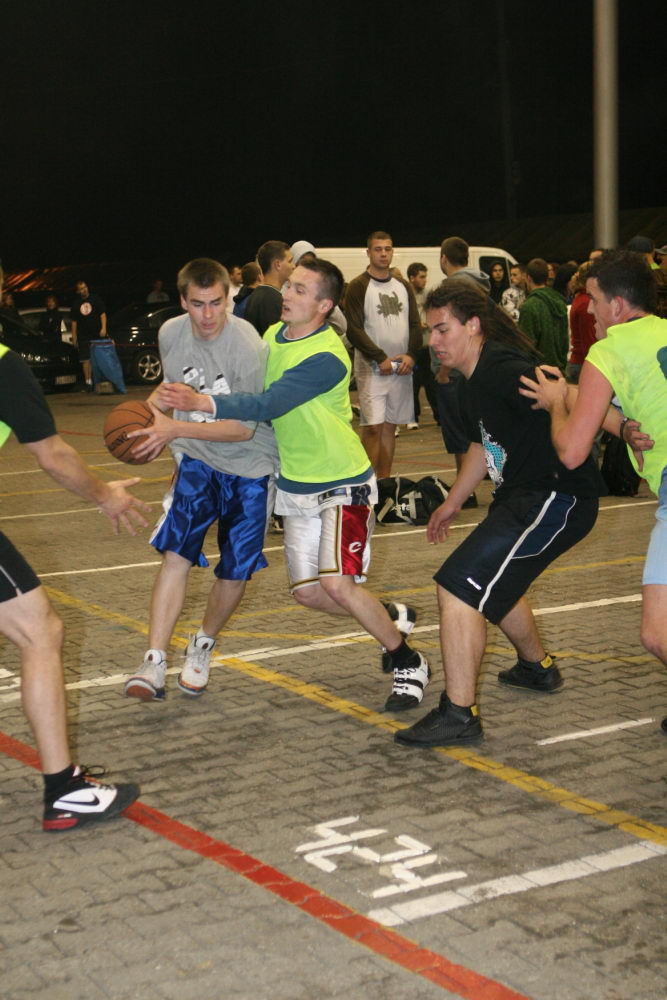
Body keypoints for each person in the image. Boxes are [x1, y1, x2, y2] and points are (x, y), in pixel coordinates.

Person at [138, 258, 430, 713]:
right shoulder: (274, 336)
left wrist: (201, 403)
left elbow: (268, 403)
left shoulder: (327, 356)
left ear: (324, 305)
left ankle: (408, 660)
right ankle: (391, 617)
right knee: (308, 593)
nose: (286, 294)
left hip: (342, 482)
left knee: (337, 584)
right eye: (288, 285)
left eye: (298, 290)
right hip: (296, 484)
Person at [394, 278, 620, 750]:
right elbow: (483, 445)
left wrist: (627, 427)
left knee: (459, 585)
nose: (434, 342)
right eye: (430, 332)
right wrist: (452, 502)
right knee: (491, 579)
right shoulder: (471, 382)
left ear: (473, 325)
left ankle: (459, 714)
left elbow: (570, 393)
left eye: (442, 330)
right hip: (522, 498)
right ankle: (536, 669)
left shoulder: (502, 367)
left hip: (556, 498)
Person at [0, 265, 149, 829]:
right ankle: (63, 789)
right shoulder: (2, 362)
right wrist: (106, 495)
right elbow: (54, 455)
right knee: (41, 632)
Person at [518, 249, 667, 737]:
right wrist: (619, 426)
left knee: (658, 633)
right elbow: (612, 402)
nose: (588, 313)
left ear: (618, 306)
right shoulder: (661, 333)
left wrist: (556, 404)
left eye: (594, 301)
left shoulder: (609, 351)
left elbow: (571, 450)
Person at [123, 258, 279, 701]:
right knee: (176, 554)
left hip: (250, 464)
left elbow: (243, 429)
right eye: (198, 304)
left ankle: (203, 643)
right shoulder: (170, 333)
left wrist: (173, 428)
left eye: (216, 303)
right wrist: (148, 421)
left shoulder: (247, 346)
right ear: (182, 301)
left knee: (235, 570)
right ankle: (153, 660)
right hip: (196, 458)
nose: (208, 315)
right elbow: (169, 394)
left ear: (230, 297)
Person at [344, 231, 422, 478]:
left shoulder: (403, 286)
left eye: (387, 249)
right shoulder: (358, 286)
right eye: (378, 249)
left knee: (390, 427)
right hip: (372, 368)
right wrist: (379, 358)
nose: (383, 254)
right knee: (373, 427)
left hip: (401, 368)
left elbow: (414, 323)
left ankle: (384, 483)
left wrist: (411, 355)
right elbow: (353, 328)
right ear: (368, 252)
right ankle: (367, 486)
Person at [518, 258, 569, 369]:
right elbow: (565, 339)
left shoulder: (529, 306)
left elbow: (525, 345)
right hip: (560, 368)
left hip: (539, 371)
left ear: (528, 277)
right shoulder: (559, 301)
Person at [406, 262, 438, 430]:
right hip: (413, 348)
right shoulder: (405, 296)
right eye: (421, 277)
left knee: (432, 383)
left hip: (428, 347)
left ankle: (439, 416)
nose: (425, 280)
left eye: (425, 277)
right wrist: (416, 325)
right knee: (413, 384)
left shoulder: (428, 295)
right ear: (412, 278)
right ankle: (412, 417)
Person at [245, 241, 294, 335]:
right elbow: (278, 339)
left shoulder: (257, 294)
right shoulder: (272, 299)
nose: (293, 266)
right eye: (290, 261)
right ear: (278, 264)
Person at [70, 280, 107, 390]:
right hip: (83, 335)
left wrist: (104, 328)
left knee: (99, 358)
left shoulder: (95, 299)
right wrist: (74, 337)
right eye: (81, 288)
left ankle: (100, 381)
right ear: (78, 291)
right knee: (85, 359)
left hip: (96, 334)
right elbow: (74, 322)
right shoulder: (76, 304)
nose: (84, 290)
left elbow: (103, 314)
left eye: (85, 287)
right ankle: (88, 382)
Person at [566, 262, 597, 383]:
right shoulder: (586, 302)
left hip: (581, 363)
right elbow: (589, 342)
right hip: (582, 364)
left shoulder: (583, 298)